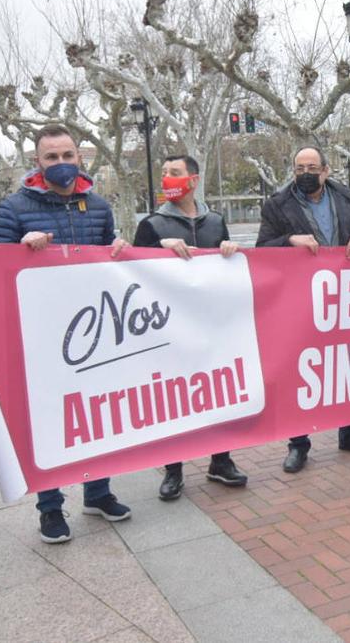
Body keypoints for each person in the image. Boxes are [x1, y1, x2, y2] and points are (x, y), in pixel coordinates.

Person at [0, 124, 133, 543]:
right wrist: (20, 250)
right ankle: (50, 508)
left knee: (99, 413)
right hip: (42, 334)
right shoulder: (14, 209)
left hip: (96, 331)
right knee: (50, 420)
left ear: (79, 159)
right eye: (52, 157)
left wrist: (120, 252)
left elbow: (110, 260)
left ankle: (98, 492)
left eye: (68, 156)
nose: (61, 164)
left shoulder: (99, 206)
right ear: (37, 162)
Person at [256, 146, 350, 473]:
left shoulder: (344, 197)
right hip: (301, 300)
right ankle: (298, 443)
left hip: (344, 297)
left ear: (325, 171)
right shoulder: (276, 205)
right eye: (299, 168)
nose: (305, 173)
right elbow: (262, 249)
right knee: (300, 369)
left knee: (348, 363)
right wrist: (289, 241)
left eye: (312, 167)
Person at [132, 154, 249, 498]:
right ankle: (173, 469)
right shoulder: (152, 224)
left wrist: (229, 249)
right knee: (173, 396)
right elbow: (134, 272)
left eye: (175, 173)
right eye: (164, 173)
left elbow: (226, 268)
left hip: (213, 323)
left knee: (219, 390)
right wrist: (157, 248)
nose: (167, 178)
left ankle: (221, 460)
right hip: (170, 326)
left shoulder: (215, 221)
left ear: (193, 180)